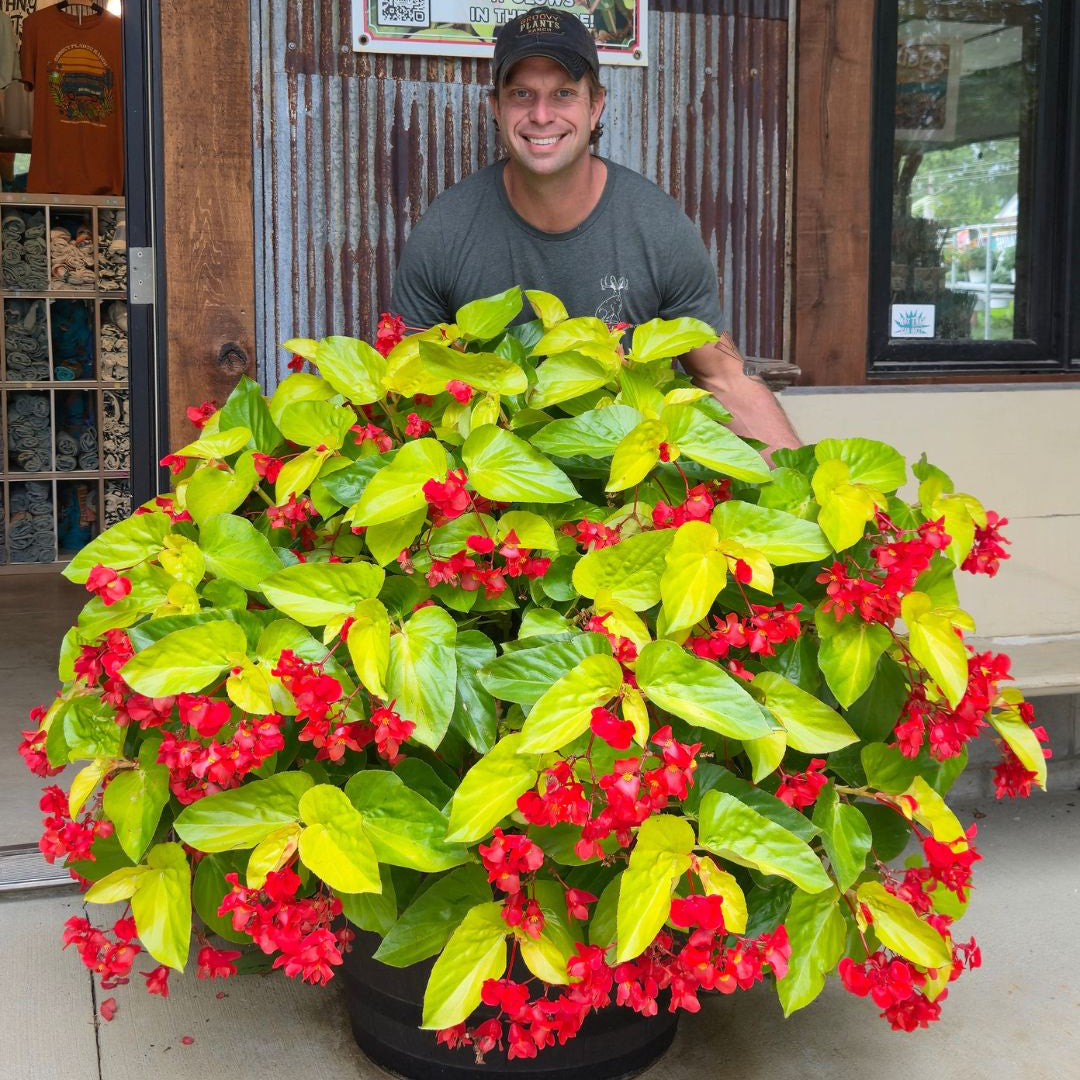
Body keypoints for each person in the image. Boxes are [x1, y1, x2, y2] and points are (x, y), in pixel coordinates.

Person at [391, 6, 800, 452]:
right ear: (496, 106)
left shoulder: (657, 227)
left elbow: (725, 380)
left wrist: (805, 501)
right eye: (522, 94)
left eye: (564, 93)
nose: (542, 115)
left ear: (596, 105)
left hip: (629, 487)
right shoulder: (446, 231)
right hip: (495, 489)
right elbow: (406, 388)